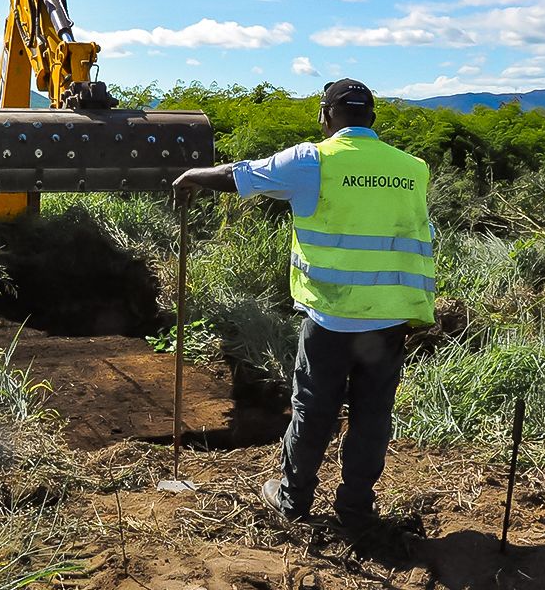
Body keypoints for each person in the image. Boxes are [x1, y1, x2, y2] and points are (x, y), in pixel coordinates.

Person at [173, 78, 435, 530]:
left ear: (325, 116)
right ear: (372, 118)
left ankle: (293, 500)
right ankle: (355, 507)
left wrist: (194, 175)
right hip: (390, 317)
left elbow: (240, 175)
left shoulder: (312, 160)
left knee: (314, 410)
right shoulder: (413, 168)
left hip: (332, 318)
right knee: (372, 418)